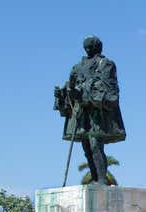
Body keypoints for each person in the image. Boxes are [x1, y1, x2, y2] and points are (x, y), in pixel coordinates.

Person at [54, 36, 126, 184]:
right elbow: (70, 86)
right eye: (86, 47)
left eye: (91, 46)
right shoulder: (77, 67)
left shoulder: (106, 64)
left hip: (97, 111)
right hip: (82, 112)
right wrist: (65, 93)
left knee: (95, 144)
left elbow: (108, 87)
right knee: (86, 147)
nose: (88, 49)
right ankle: (94, 178)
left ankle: (101, 180)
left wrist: (85, 91)